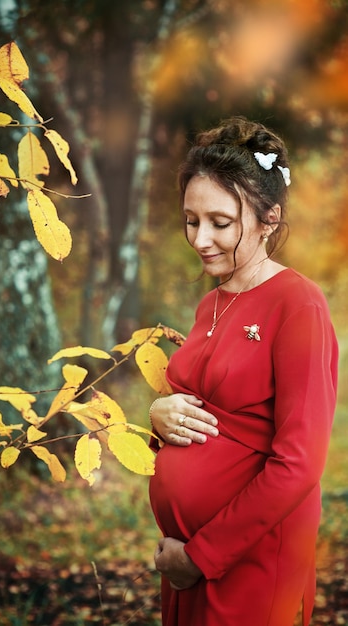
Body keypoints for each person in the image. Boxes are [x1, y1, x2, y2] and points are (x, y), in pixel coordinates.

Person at [148, 116, 338, 626]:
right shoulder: (210, 303)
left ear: (268, 218)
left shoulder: (298, 305)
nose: (201, 239)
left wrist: (202, 556)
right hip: (188, 557)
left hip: (250, 555)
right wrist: (157, 418)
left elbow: (299, 462)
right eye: (191, 220)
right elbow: (207, 416)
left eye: (220, 222)